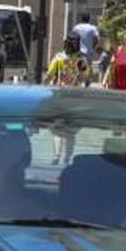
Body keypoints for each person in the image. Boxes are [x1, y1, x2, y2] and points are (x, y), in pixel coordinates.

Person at [44, 34, 91, 164]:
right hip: (75, 98)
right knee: (71, 132)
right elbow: (85, 78)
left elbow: (49, 76)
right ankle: (67, 158)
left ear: (65, 43)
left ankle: (56, 155)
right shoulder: (81, 59)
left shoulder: (58, 58)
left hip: (59, 97)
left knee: (57, 129)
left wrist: (43, 89)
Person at [71, 13, 100, 79]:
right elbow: (97, 39)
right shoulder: (92, 28)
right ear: (89, 19)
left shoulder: (76, 27)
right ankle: (86, 80)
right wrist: (93, 46)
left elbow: (72, 38)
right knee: (87, 69)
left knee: (77, 68)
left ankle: (77, 79)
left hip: (77, 52)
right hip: (88, 53)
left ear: (81, 19)